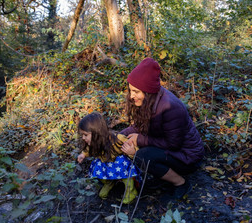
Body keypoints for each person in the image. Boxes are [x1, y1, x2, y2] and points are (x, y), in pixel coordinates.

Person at [120, 57, 205, 199]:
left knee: (142, 156)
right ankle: (163, 176)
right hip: (172, 149)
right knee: (137, 148)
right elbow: (139, 126)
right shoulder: (149, 101)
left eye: (136, 91)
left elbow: (173, 144)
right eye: (130, 91)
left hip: (188, 157)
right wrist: (118, 135)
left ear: (147, 91)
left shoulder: (171, 108)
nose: (131, 96)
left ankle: (181, 183)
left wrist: (140, 140)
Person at [77, 112, 139, 204]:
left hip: (121, 165)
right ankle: (109, 182)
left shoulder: (118, 138)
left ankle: (131, 192)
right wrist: (83, 154)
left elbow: (133, 146)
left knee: (124, 167)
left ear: (96, 132)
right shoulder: (95, 143)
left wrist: (133, 152)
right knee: (97, 165)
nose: (83, 138)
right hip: (107, 163)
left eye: (85, 135)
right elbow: (88, 150)